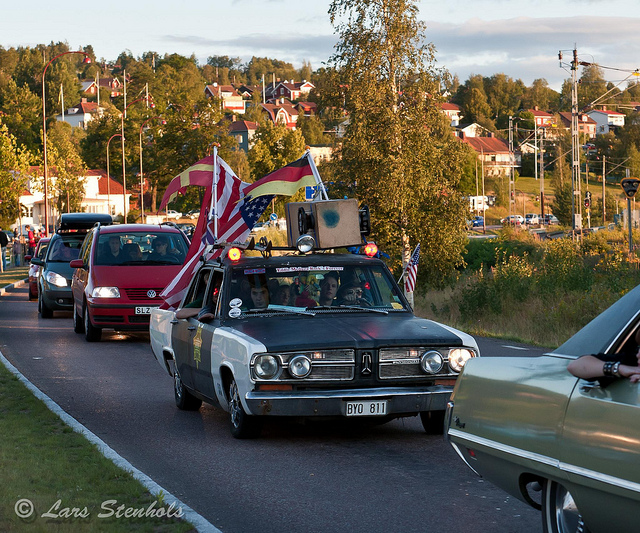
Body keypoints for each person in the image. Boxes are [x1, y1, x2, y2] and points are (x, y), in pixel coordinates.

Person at [568, 330, 640, 383]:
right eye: (639, 347)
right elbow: (575, 366)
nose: (638, 354)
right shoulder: (629, 361)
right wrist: (618, 368)